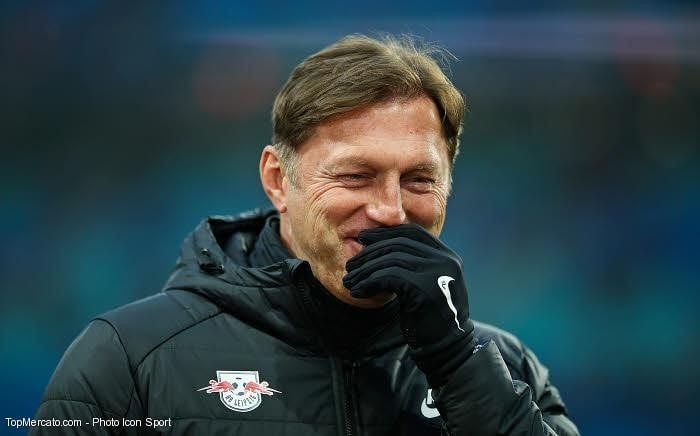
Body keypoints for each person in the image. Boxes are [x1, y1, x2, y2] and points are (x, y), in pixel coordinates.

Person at [33, 34, 579, 435]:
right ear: (278, 180)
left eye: (419, 179)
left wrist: (457, 363)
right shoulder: (129, 358)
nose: (390, 211)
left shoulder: (505, 368)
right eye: (355, 176)